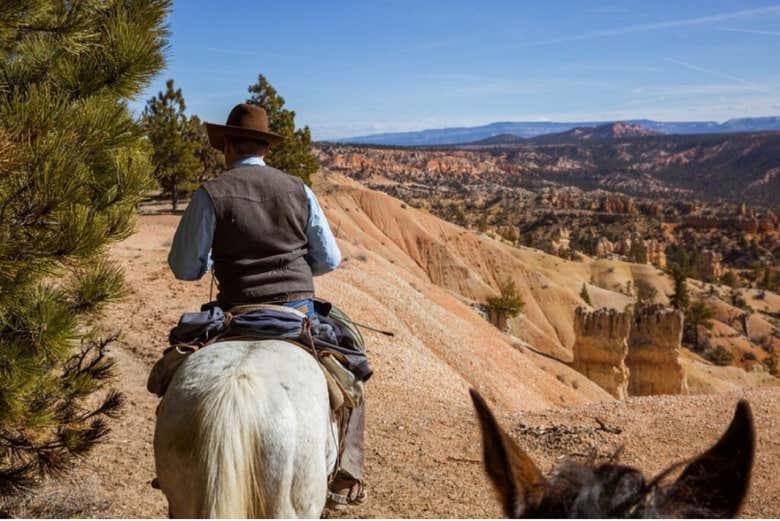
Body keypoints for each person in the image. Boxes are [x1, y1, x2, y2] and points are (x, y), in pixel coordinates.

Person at [167, 103, 366, 506]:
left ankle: (178, 469)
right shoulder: (298, 189)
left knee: (171, 371)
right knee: (351, 368)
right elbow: (329, 259)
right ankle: (346, 472)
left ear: (226, 147)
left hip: (234, 312)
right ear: (266, 149)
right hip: (297, 313)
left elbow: (185, 268)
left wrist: (211, 259)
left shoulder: (211, 194)